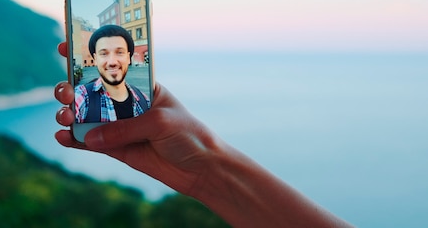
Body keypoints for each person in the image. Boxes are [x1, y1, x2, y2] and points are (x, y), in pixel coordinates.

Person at [54, 41, 353, 227]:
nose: (112, 60)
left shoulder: (140, 98)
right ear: (92, 58)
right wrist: (207, 168)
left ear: (132, 57)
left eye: (119, 52)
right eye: (103, 53)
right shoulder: (84, 97)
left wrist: (207, 170)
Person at [75, 25, 150, 123]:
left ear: (128, 58)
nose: (112, 62)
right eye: (104, 54)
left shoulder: (145, 101)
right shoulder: (80, 97)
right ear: (95, 59)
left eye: (119, 52)